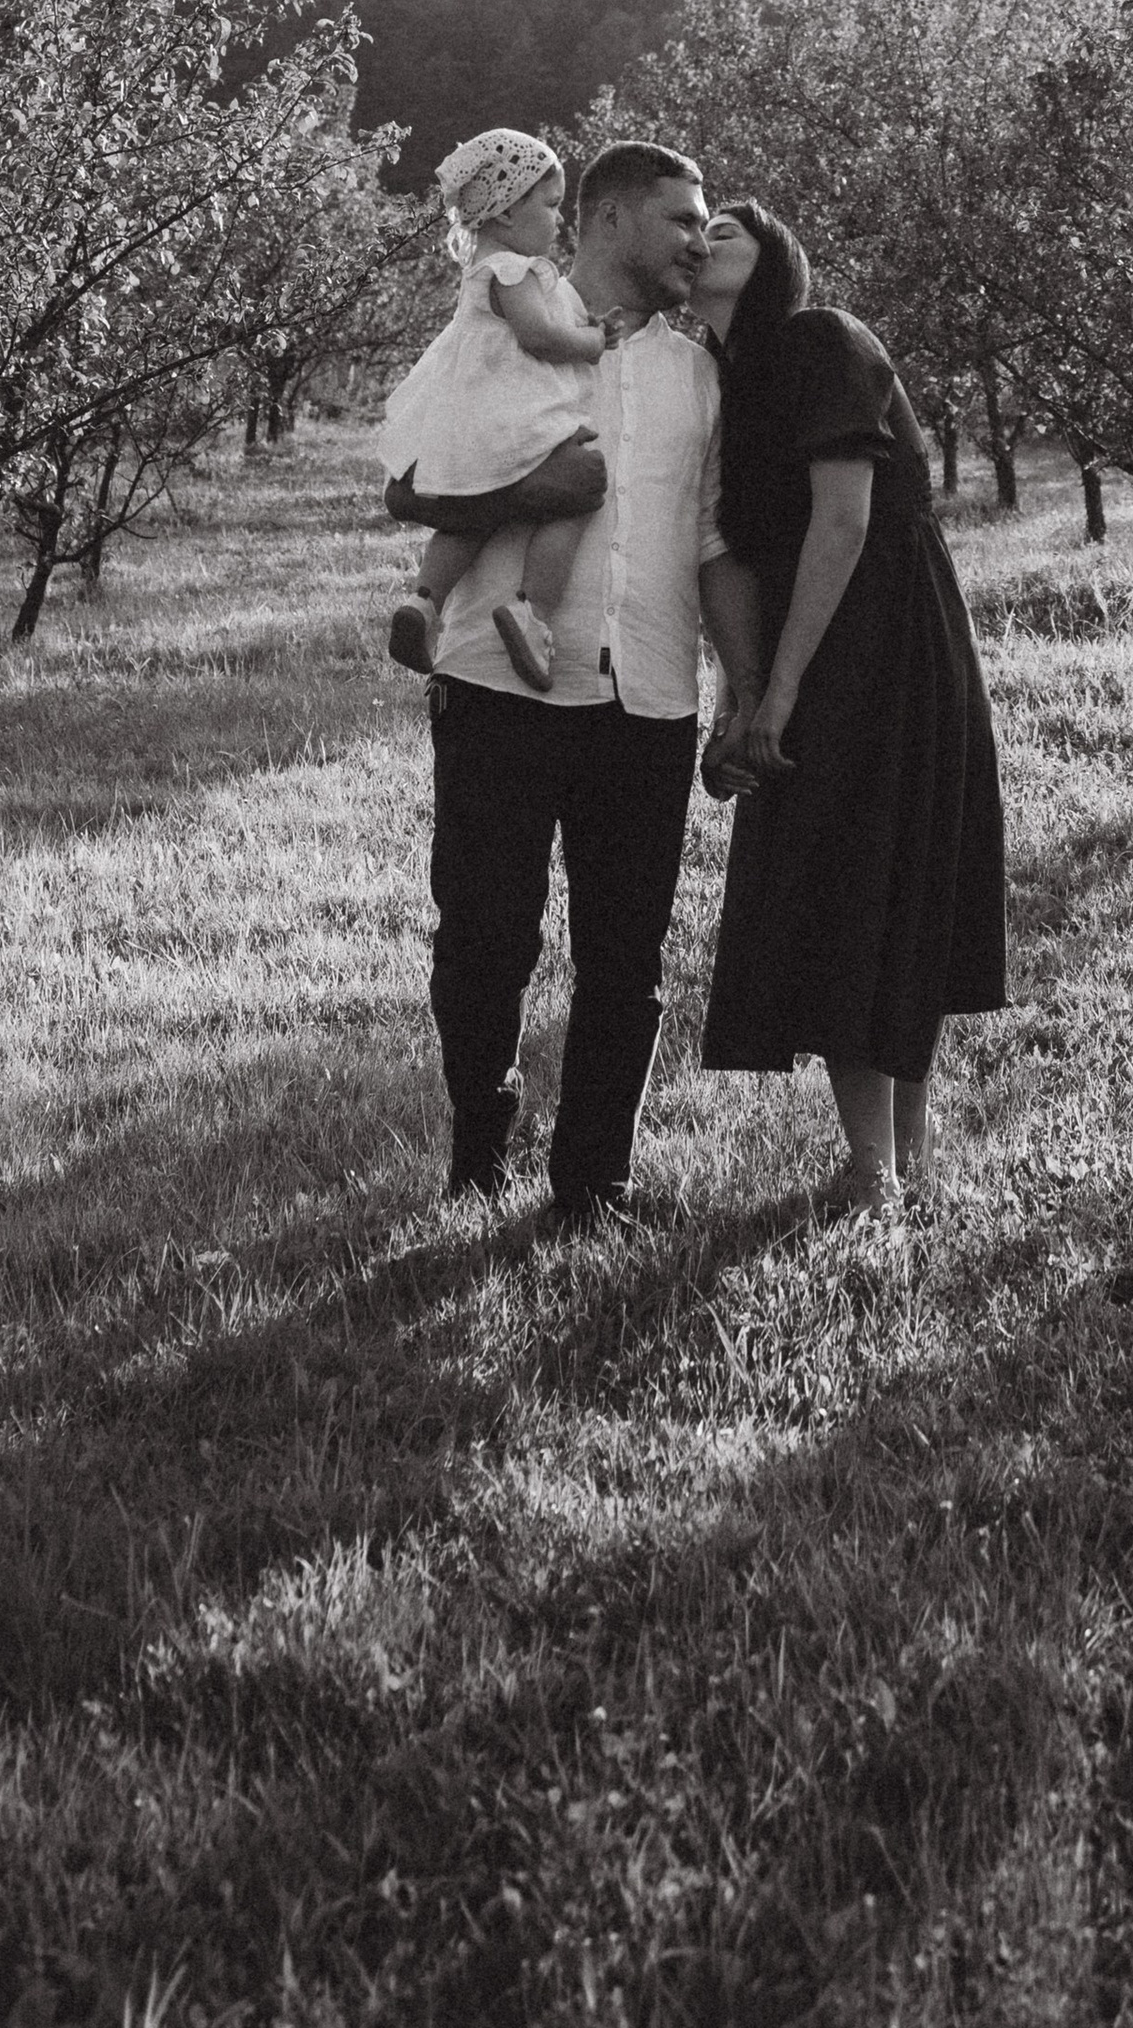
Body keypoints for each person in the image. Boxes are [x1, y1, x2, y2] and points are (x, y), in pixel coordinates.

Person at [386, 140, 762, 1224]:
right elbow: (407, 487)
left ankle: (594, 1184)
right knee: (484, 935)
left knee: (626, 955)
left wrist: (742, 682)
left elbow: (709, 542)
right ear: (602, 220)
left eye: (704, 223)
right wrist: (526, 486)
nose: (701, 238)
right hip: (498, 685)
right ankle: (477, 1155)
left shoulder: (696, 373)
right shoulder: (504, 334)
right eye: (680, 219)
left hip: (645, 692)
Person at [693, 199, 1007, 1213]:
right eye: (690, 228)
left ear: (777, 252)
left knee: (891, 873)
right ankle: (874, 1160)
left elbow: (844, 515)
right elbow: (726, 555)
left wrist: (783, 685)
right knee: (830, 884)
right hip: (801, 632)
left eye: (727, 228)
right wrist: (739, 696)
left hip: (881, 629)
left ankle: (898, 1160)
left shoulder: (822, 340)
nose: (702, 240)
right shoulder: (719, 383)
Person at [379, 130, 618, 692]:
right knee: (577, 495)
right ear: (508, 210)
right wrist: (592, 341)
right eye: (552, 205)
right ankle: (530, 611)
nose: (560, 221)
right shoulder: (514, 270)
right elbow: (538, 337)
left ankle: (422, 603)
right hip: (511, 419)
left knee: (476, 512)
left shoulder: (479, 271)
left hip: (467, 423)